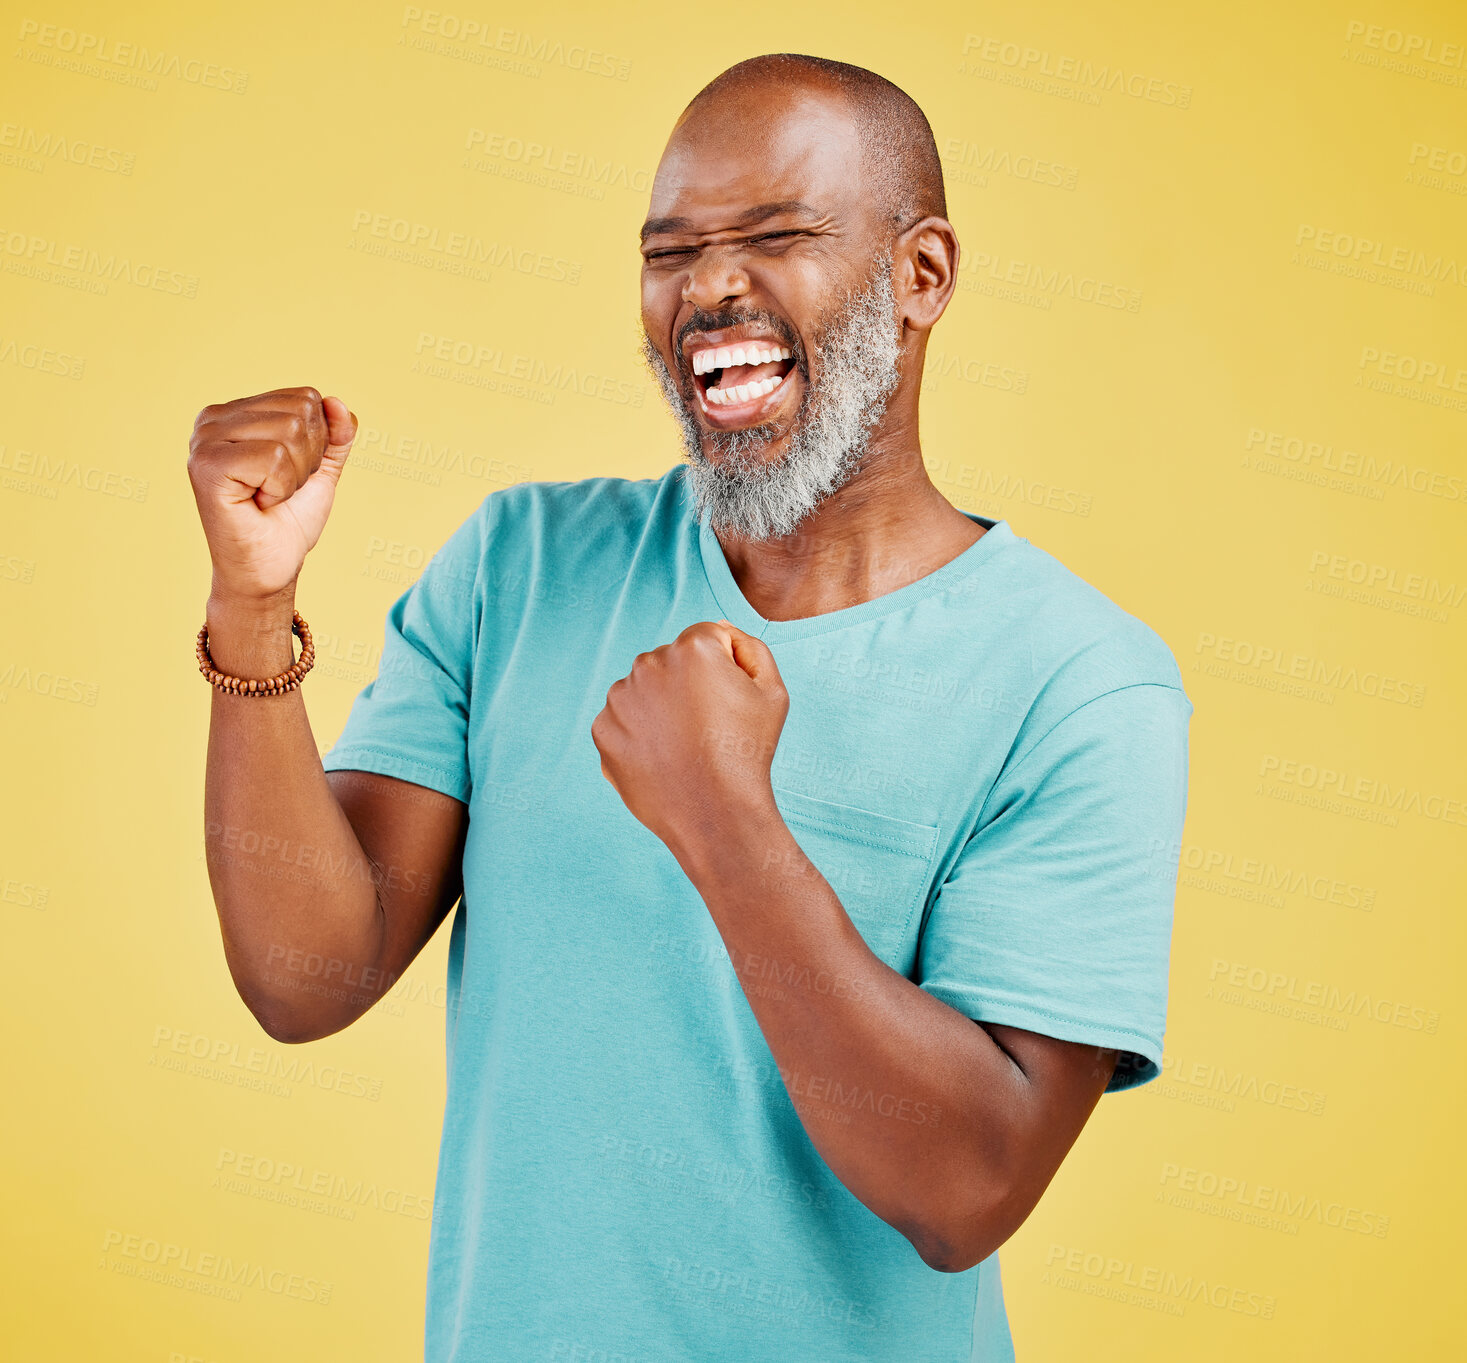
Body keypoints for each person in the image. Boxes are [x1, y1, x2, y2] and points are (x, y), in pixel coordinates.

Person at [187, 52, 1192, 1363]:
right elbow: (305, 978)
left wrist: (724, 819)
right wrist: (254, 607)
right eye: (673, 253)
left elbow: (967, 1192)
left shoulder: (1078, 679)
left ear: (921, 275)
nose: (712, 289)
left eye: (779, 237)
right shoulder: (519, 568)